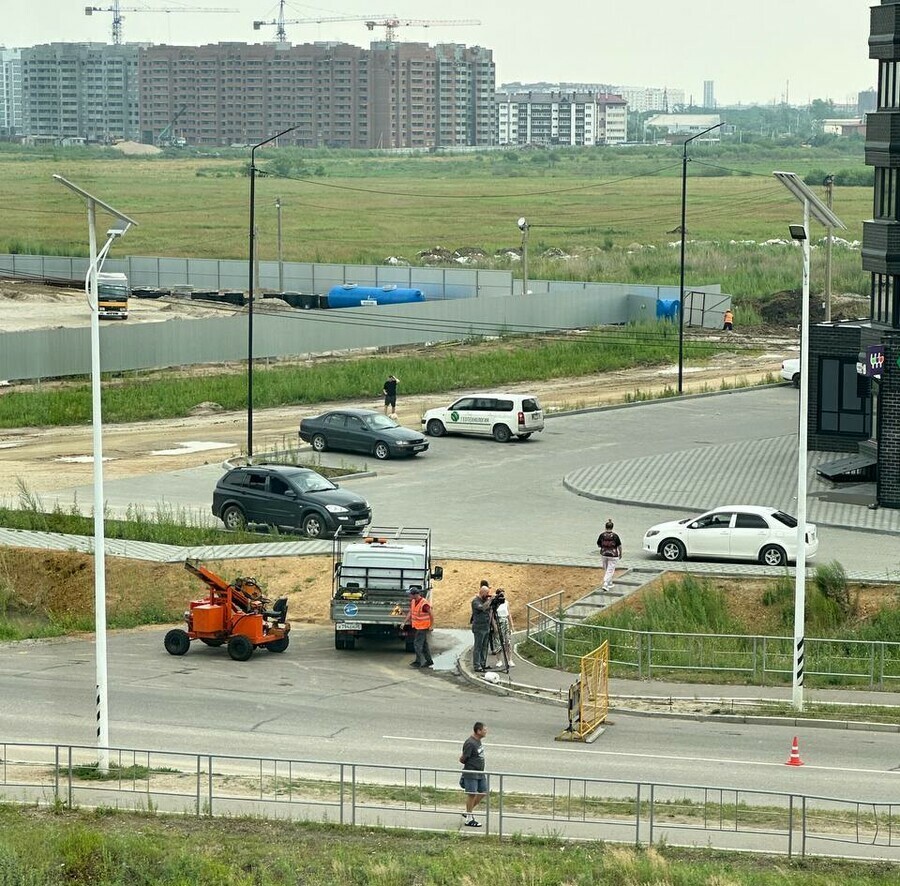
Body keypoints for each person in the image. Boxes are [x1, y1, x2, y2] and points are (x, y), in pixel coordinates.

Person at [459, 721, 488, 827]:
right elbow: (463, 759)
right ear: (478, 731)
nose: (486, 732)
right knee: (472, 794)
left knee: (483, 792)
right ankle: (469, 819)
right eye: (484, 730)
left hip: (480, 772)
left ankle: (467, 811)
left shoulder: (478, 741)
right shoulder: (470, 743)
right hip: (471, 773)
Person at [404, 585, 433, 669]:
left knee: (417, 644)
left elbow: (431, 614)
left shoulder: (424, 603)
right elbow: (411, 612)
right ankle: (429, 661)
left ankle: (418, 662)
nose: (409, 595)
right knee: (424, 645)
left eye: (410, 594)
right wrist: (404, 622)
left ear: (415, 594)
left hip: (423, 627)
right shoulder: (413, 601)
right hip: (418, 626)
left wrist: (431, 625)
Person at [470, 580, 493, 673]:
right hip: (479, 627)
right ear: (482, 592)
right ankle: (477, 665)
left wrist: (493, 602)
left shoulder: (485, 600)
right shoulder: (475, 601)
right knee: (478, 647)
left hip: (486, 626)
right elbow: (482, 608)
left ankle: (483, 663)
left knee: (485, 647)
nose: (488, 596)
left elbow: (490, 609)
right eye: (487, 594)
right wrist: (490, 601)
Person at [489, 588, 515, 669]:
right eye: (500, 594)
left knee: (508, 642)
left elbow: (509, 614)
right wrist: (494, 626)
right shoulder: (495, 604)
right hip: (498, 622)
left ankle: (510, 660)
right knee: (498, 642)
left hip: (505, 622)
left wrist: (512, 625)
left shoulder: (506, 603)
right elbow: (492, 616)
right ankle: (499, 660)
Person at [596, 519, 622, 592]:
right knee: (610, 570)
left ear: (605, 527)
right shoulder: (615, 536)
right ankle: (605, 584)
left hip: (604, 554)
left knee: (606, 569)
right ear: (612, 527)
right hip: (613, 555)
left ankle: (610, 583)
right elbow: (619, 546)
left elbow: (598, 544)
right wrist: (620, 553)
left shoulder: (602, 535)